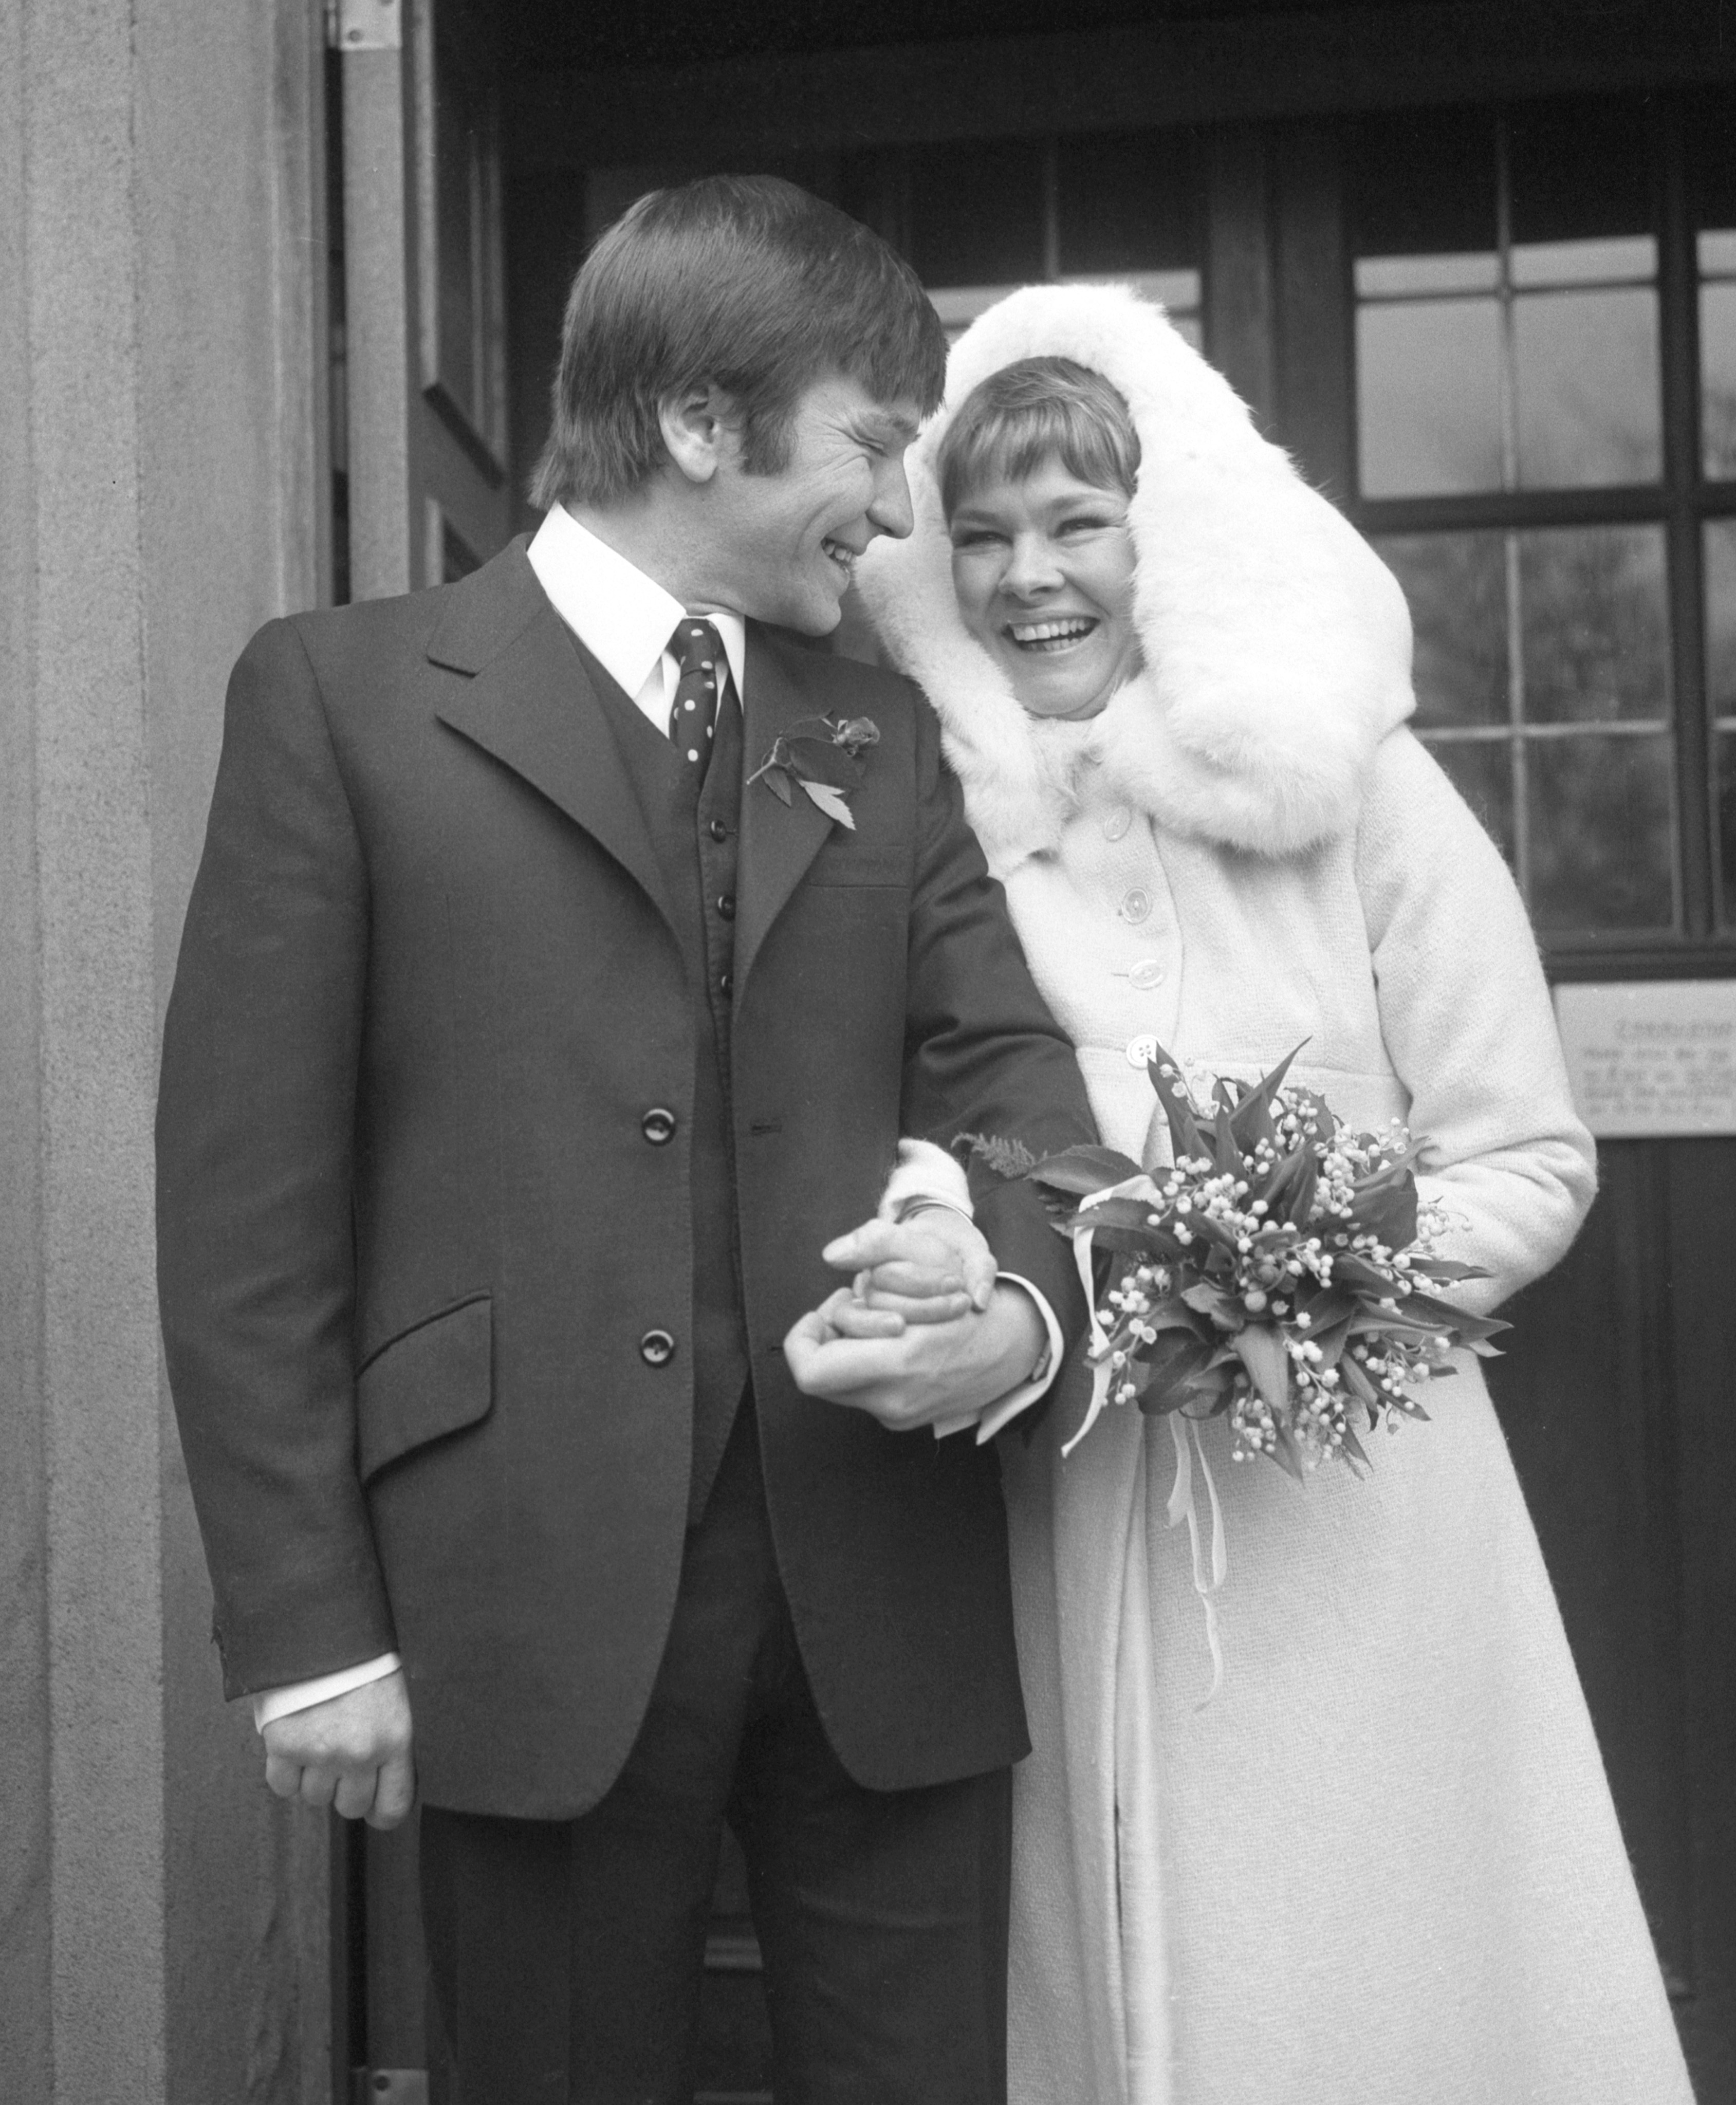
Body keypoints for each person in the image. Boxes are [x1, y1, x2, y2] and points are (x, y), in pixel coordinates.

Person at [154, 178, 1096, 2104]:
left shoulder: (879, 731)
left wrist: (1013, 1302)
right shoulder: (342, 701)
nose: (899, 510)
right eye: (873, 439)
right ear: (694, 425)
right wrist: (308, 1634)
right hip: (516, 1599)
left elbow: (1019, 1095)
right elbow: (247, 1211)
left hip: (884, 1598)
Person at [855, 283, 1696, 2105]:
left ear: (1170, 540)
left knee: (1377, 1958)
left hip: (1357, 1504)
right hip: (1068, 1496)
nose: (1028, 579)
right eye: (980, 536)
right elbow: (920, 1135)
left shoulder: (1363, 793)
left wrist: (1291, 1281)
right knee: (1120, 1963)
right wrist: (967, 1264)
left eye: (1078, 522)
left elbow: (1527, 1155)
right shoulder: (938, 837)